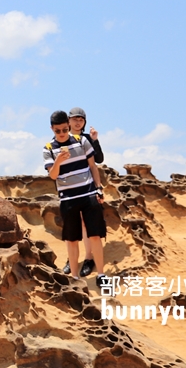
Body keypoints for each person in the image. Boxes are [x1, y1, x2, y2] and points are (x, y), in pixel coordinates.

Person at [43, 110, 109, 288]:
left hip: (88, 194)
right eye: (58, 131)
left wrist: (98, 188)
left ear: (68, 125)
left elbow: (93, 166)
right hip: (68, 198)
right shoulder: (48, 148)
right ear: (52, 129)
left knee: (94, 235)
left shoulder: (82, 140)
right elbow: (53, 175)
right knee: (71, 238)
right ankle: (74, 277)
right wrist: (58, 161)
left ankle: (101, 274)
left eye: (65, 129)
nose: (62, 134)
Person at [61, 107, 104, 276]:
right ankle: (71, 261)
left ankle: (88, 258)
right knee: (72, 226)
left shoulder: (86, 138)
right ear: (68, 121)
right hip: (69, 189)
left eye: (81, 120)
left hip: (87, 187)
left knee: (87, 225)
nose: (78, 122)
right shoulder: (60, 139)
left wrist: (95, 140)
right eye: (75, 119)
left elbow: (99, 160)